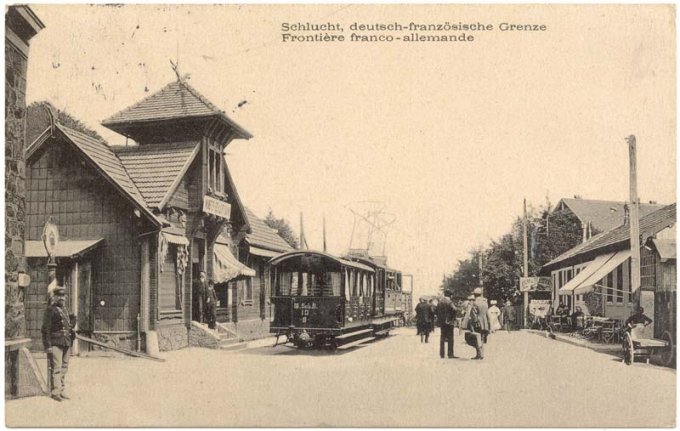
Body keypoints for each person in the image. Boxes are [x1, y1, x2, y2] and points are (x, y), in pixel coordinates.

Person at [41, 285, 74, 402]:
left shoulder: (65, 310)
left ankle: (61, 389)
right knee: (57, 368)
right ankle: (55, 392)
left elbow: (71, 322)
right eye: (59, 296)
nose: (61, 298)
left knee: (65, 367)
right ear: (54, 297)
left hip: (66, 342)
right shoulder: (50, 310)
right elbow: (45, 329)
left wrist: (73, 323)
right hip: (55, 342)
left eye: (63, 296)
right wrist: (48, 346)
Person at [470, 287, 489, 360]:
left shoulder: (475, 303)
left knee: (477, 338)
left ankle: (479, 354)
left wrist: (473, 323)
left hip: (478, 322)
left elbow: (474, 315)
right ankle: (482, 354)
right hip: (485, 322)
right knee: (482, 338)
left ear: (475, 295)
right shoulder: (485, 302)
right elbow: (487, 313)